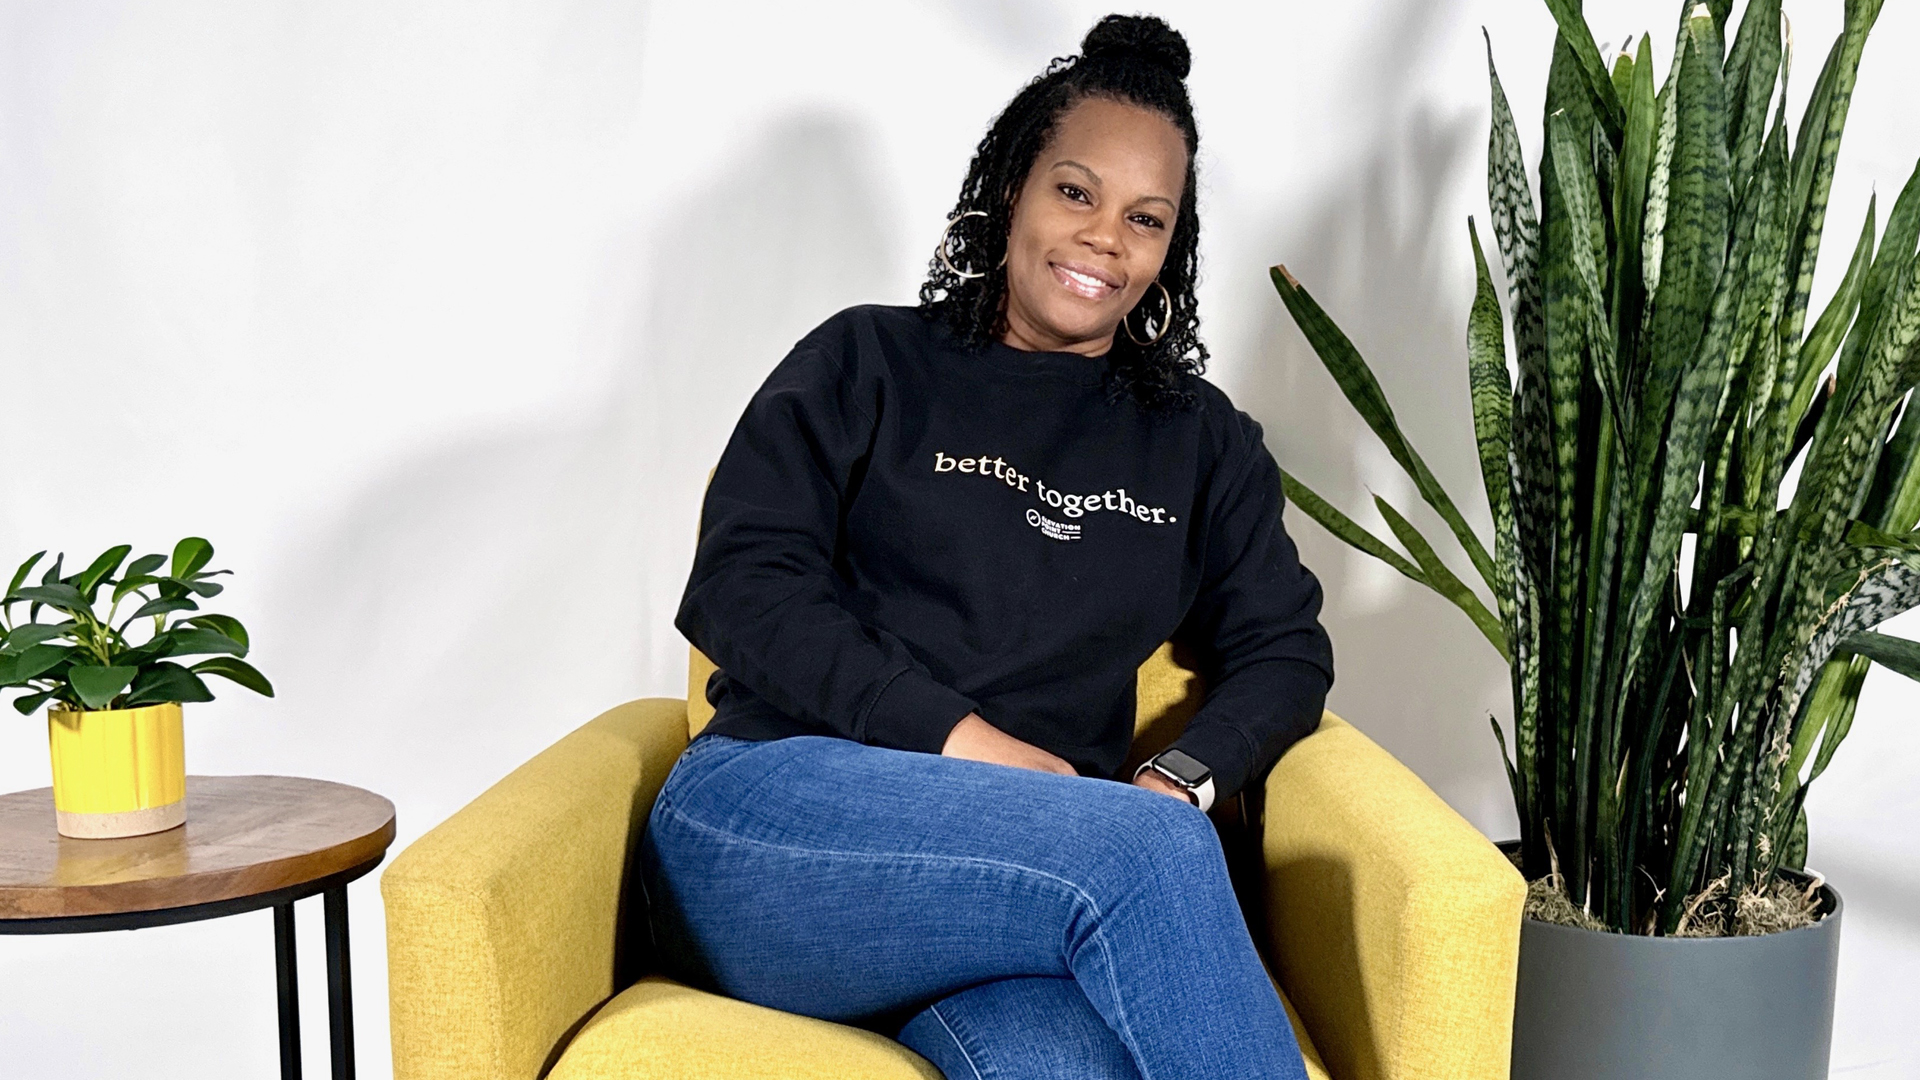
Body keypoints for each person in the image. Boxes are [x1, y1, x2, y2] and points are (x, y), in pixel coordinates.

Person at [640, 14, 1333, 1079]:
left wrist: (1178, 776)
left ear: (1170, 246)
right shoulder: (868, 359)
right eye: (1075, 192)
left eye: (1146, 218)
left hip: (1023, 887)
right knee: (1148, 852)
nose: (1106, 238)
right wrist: (967, 742)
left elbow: (1285, 650)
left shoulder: (1201, 443)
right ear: (1013, 187)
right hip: (773, 825)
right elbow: (742, 586)